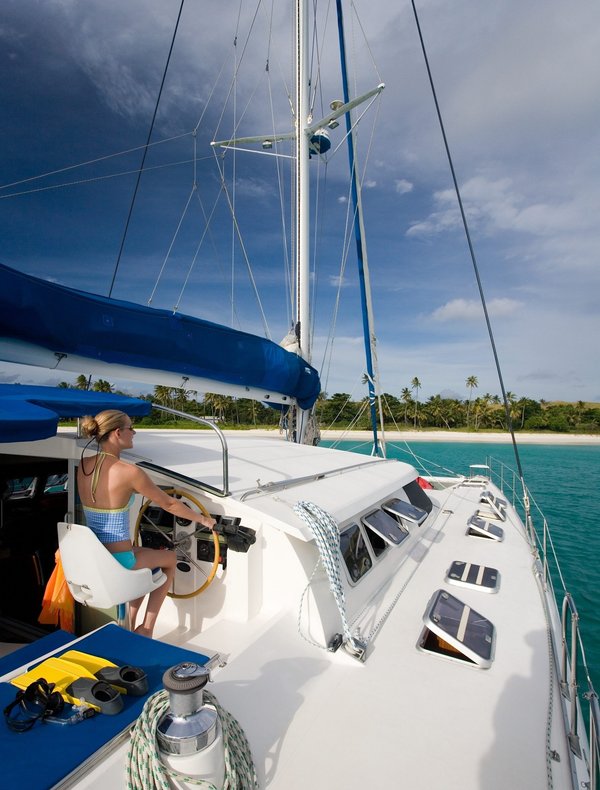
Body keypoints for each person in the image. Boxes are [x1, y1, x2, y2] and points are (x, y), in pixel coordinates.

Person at [77, 409, 216, 638]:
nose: (135, 432)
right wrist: (204, 520)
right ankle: (147, 629)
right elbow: (170, 505)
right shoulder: (130, 472)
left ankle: (129, 625)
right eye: (131, 428)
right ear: (118, 433)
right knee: (170, 559)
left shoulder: (83, 465)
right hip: (121, 561)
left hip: (98, 558)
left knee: (149, 558)